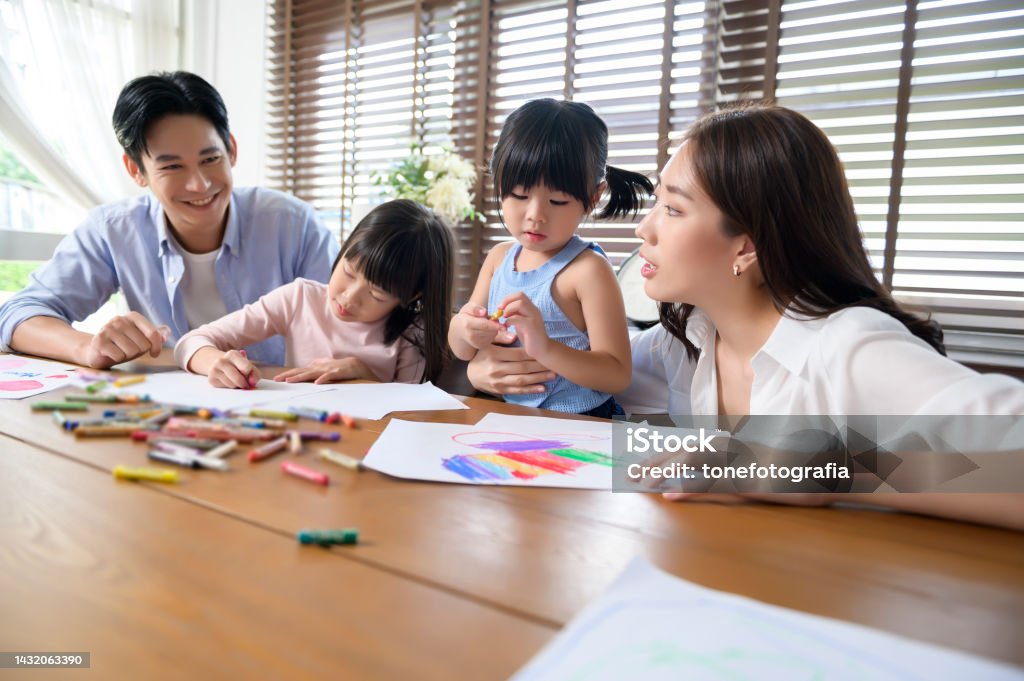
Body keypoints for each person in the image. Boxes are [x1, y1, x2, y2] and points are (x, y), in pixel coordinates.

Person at [468, 103, 1023, 530]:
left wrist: (817, 469)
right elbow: (583, 373)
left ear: (747, 247)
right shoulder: (687, 342)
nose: (645, 230)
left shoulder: (850, 345)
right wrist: (486, 369)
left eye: (674, 209)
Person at [0, 71, 337, 369]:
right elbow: (19, 314)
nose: (200, 184)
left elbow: (353, 327)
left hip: (278, 404)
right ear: (136, 170)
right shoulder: (113, 230)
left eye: (210, 159)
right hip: (169, 413)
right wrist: (88, 347)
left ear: (231, 149)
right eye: (172, 166)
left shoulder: (294, 225)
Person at [448, 99, 651, 418]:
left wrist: (544, 347)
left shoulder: (587, 270)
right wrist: (463, 330)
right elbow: (464, 350)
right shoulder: (499, 258)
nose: (535, 215)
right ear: (499, 186)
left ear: (593, 197)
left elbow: (616, 374)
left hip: (582, 421)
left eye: (557, 201)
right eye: (519, 195)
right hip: (513, 417)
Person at [175, 199, 453, 388]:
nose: (349, 297)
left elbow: (411, 413)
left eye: (377, 294)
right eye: (349, 272)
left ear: (411, 296)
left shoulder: (412, 333)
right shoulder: (300, 299)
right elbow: (192, 342)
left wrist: (362, 373)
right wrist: (217, 363)